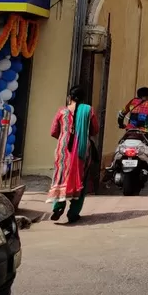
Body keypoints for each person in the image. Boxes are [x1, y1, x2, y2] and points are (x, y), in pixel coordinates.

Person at [47, 86, 99, 224]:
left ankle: (58, 206)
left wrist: (64, 137)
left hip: (63, 149)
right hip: (82, 150)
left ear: (69, 97)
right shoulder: (88, 110)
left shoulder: (61, 111)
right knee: (81, 178)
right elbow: (95, 130)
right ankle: (73, 213)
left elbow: (53, 131)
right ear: (83, 98)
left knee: (60, 177)